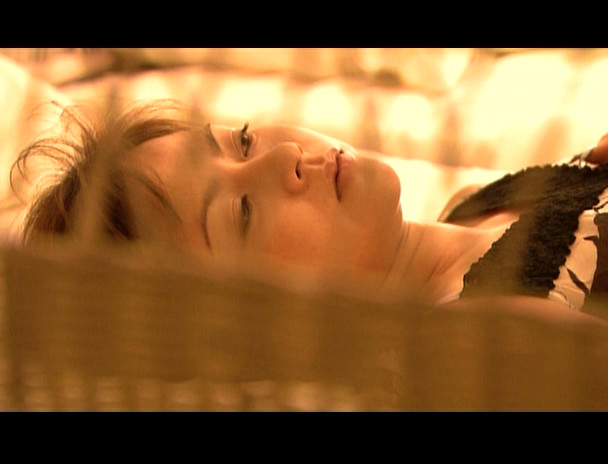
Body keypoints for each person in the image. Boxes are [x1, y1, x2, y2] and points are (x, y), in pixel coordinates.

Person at [13, 100, 608, 323]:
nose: (286, 157)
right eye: (243, 213)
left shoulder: (471, 208)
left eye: (243, 141)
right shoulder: (490, 337)